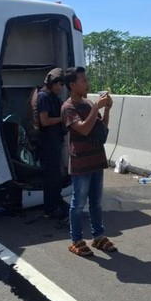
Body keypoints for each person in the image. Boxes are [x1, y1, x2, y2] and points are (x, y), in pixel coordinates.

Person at [61, 66, 116, 257]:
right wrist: (96, 107)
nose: (87, 83)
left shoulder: (87, 104)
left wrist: (106, 110)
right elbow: (83, 129)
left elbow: (101, 131)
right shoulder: (68, 107)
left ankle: (98, 236)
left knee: (96, 202)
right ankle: (76, 240)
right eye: (83, 80)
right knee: (78, 203)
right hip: (81, 163)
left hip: (96, 160)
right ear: (72, 84)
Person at [36, 68, 69, 220]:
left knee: (55, 176)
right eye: (59, 84)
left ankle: (54, 205)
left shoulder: (52, 96)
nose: (60, 87)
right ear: (52, 82)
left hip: (54, 141)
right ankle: (51, 208)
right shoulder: (44, 97)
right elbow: (45, 120)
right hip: (48, 142)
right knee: (51, 177)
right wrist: (62, 119)